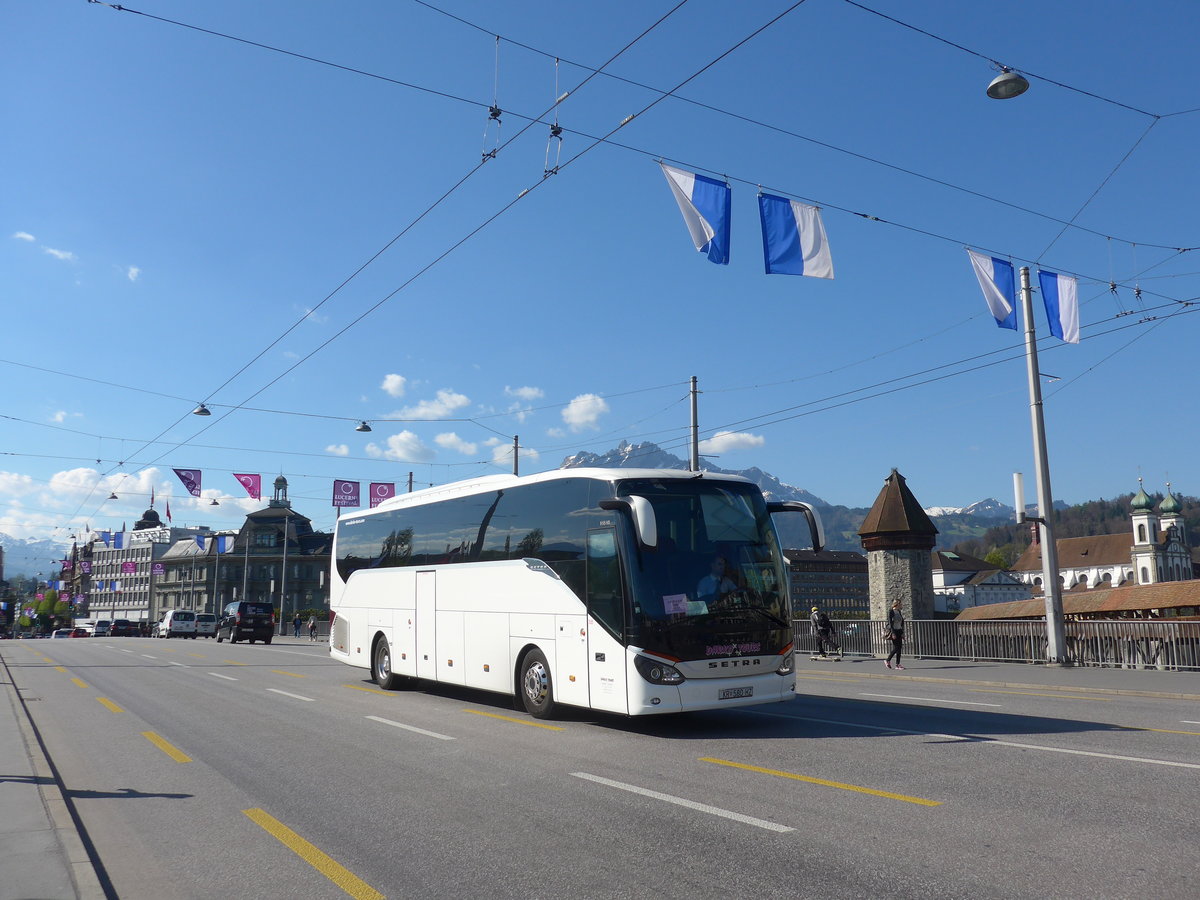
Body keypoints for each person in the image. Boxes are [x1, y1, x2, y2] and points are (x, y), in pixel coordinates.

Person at [884, 599, 905, 669]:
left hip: (899, 630)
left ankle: (898, 664)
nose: (901, 605)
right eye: (900, 604)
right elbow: (890, 623)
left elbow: (901, 623)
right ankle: (887, 660)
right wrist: (893, 633)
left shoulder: (898, 611)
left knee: (899, 648)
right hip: (894, 631)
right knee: (896, 647)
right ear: (897, 604)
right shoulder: (891, 611)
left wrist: (902, 633)